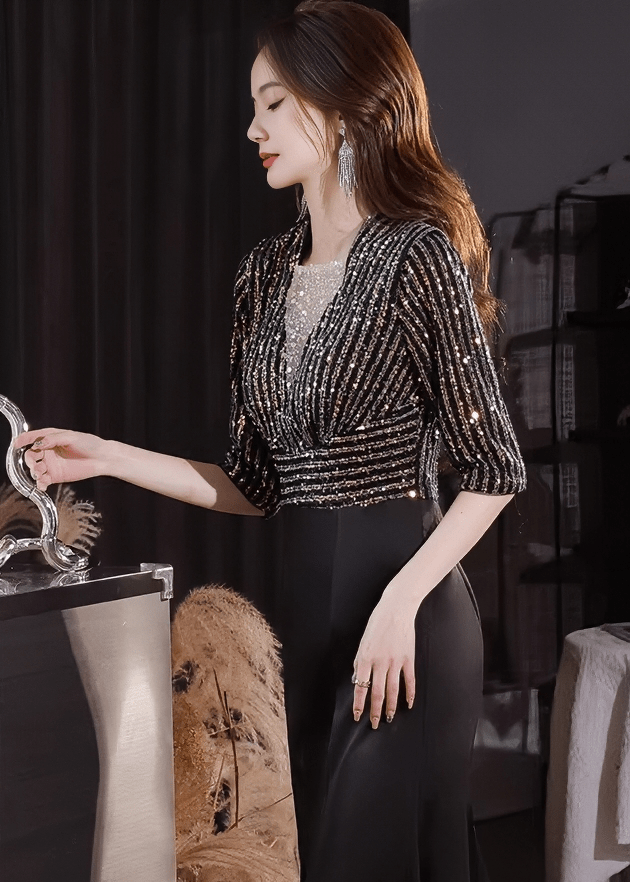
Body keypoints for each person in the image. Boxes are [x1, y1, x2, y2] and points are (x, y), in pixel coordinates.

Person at [16, 2, 526, 880]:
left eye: (275, 102)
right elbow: (254, 483)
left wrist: (401, 603)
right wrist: (106, 455)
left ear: (343, 106)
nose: (252, 127)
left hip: (407, 618)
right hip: (309, 625)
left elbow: (497, 469)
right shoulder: (261, 275)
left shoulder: (417, 257)